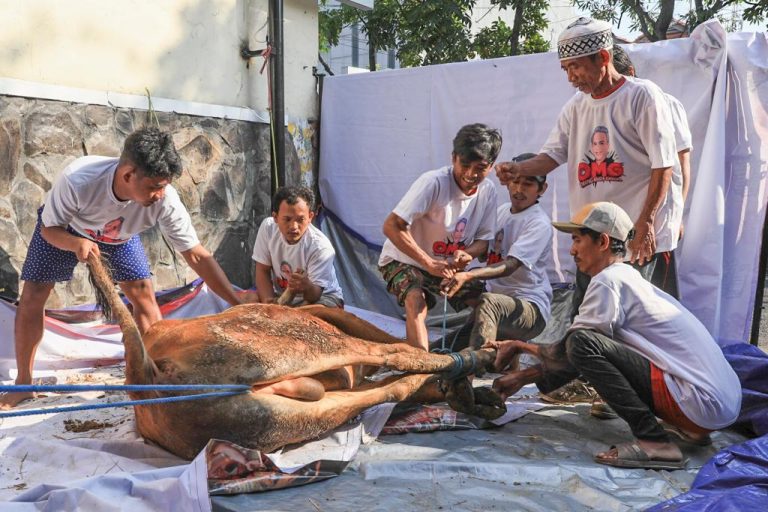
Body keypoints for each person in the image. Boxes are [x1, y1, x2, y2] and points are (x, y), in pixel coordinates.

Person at [486, 202, 741, 470]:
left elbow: (573, 348)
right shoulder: (627, 278)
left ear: (603, 241)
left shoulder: (608, 281)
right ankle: (690, 431)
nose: (572, 250)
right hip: (719, 406)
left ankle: (655, 442)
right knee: (583, 343)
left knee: (581, 341)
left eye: (577, 239)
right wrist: (521, 375)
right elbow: (576, 358)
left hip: (701, 404)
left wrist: (520, 347)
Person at [1, 127, 242, 410]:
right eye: (154, 186)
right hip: (64, 229)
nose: (159, 194)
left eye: (164, 186)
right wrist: (75, 243)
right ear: (128, 175)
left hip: (119, 237)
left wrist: (235, 302)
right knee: (33, 295)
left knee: (144, 296)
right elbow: (48, 229)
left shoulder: (165, 199)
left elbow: (197, 256)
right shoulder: (78, 179)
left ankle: (151, 378)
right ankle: (24, 384)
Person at [495, 17, 679, 298]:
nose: (571, 77)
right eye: (566, 69)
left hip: (636, 238)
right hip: (593, 243)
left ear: (603, 57)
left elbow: (663, 164)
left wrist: (647, 221)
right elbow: (550, 157)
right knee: (589, 320)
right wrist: (518, 168)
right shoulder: (575, 107)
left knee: (642, 318)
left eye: (576, 66)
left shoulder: (642, 96)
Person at [379, 123, 502, 351]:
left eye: (480, 168)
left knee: (486, 304)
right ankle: (421, 365)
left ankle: (460, 358)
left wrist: (467, 254)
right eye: (465, 165)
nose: (470, 174)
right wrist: (428, 262)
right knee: (416, 301)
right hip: (404, 259)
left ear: (492, 166)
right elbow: (392, 226)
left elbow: (483, 241)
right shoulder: (433, 183)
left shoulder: (488, 191)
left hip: (445, 267)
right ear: (453, 158)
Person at [442, 153, 553, 350]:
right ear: (508, 183)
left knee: (487, 300)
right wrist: (467, 255)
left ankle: (477, 361)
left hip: (529, 309)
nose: (519, 190)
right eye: (515, 182)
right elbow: (484, 249)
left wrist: (468, 275)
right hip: (495, 302)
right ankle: (500, 346)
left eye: (528, 184)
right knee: (443, 348)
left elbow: (510, 266)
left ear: (542, 189)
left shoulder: (539, 223)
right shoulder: (502, 211)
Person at [612, 43, 692, 297]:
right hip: (620, 223)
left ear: (630, 72)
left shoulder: (666, 103)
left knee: (655, 298)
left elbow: (681, 163)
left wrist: (677, 214)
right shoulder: (600, 105)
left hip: (655, 222)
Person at [252, 186, 343, 307]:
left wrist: (306, 286)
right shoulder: (268, 228)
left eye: (300, 219)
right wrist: (268, 305)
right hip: (281, 297)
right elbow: (262, 270)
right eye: (287, 219)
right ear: (275, 217)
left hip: (321, 298)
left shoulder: (321, 247)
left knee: (313, 314)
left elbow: (314, 295)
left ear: (310, 217)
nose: (294, 226)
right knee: (247, 300)